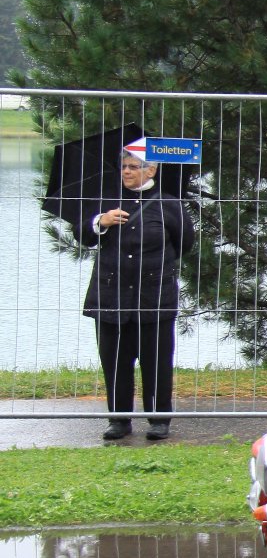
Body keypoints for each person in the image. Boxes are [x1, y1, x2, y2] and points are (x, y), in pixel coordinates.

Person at [78, 150, 196, 441]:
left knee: (157, 361)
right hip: (111, 296)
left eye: (133, 166)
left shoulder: (169, 204)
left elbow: (184, 243)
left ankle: (159, 420)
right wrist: (101, 222)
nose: (127, 172)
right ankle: (119, 420)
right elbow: (82, 234)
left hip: (154, 296)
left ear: (151, 171)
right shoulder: (107, 200)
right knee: (115, 362)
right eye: (123, 167)